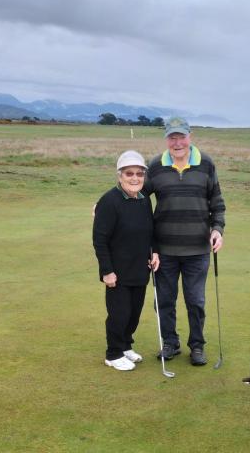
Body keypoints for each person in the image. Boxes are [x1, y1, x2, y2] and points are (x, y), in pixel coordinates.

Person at [143, 117, 225, 366]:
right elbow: (137, 195)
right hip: (163, 250)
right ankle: (170, 343)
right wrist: (106, 206)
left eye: (181, 136)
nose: (177, 142)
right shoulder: (156, 166)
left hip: (197, 250)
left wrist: (217, 230)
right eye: (172, 137)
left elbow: (217, 203)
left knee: (195, 301)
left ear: (190, 136)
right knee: (164, 300)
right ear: (166, 139)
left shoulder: (206, 164)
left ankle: (197, 346)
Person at [93, 150, 160, 371]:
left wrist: (155, 252)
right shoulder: (109, 201)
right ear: (120, 176)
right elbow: (100, 240)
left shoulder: (143, 200)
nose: (135, 178)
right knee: (119, 314)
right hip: (118, 272)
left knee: (133, 314)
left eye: (139, 174)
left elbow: (150, 232)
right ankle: (113, 354)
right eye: (129, 173)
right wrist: (106, 271)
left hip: (140, 269)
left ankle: (125, 345)